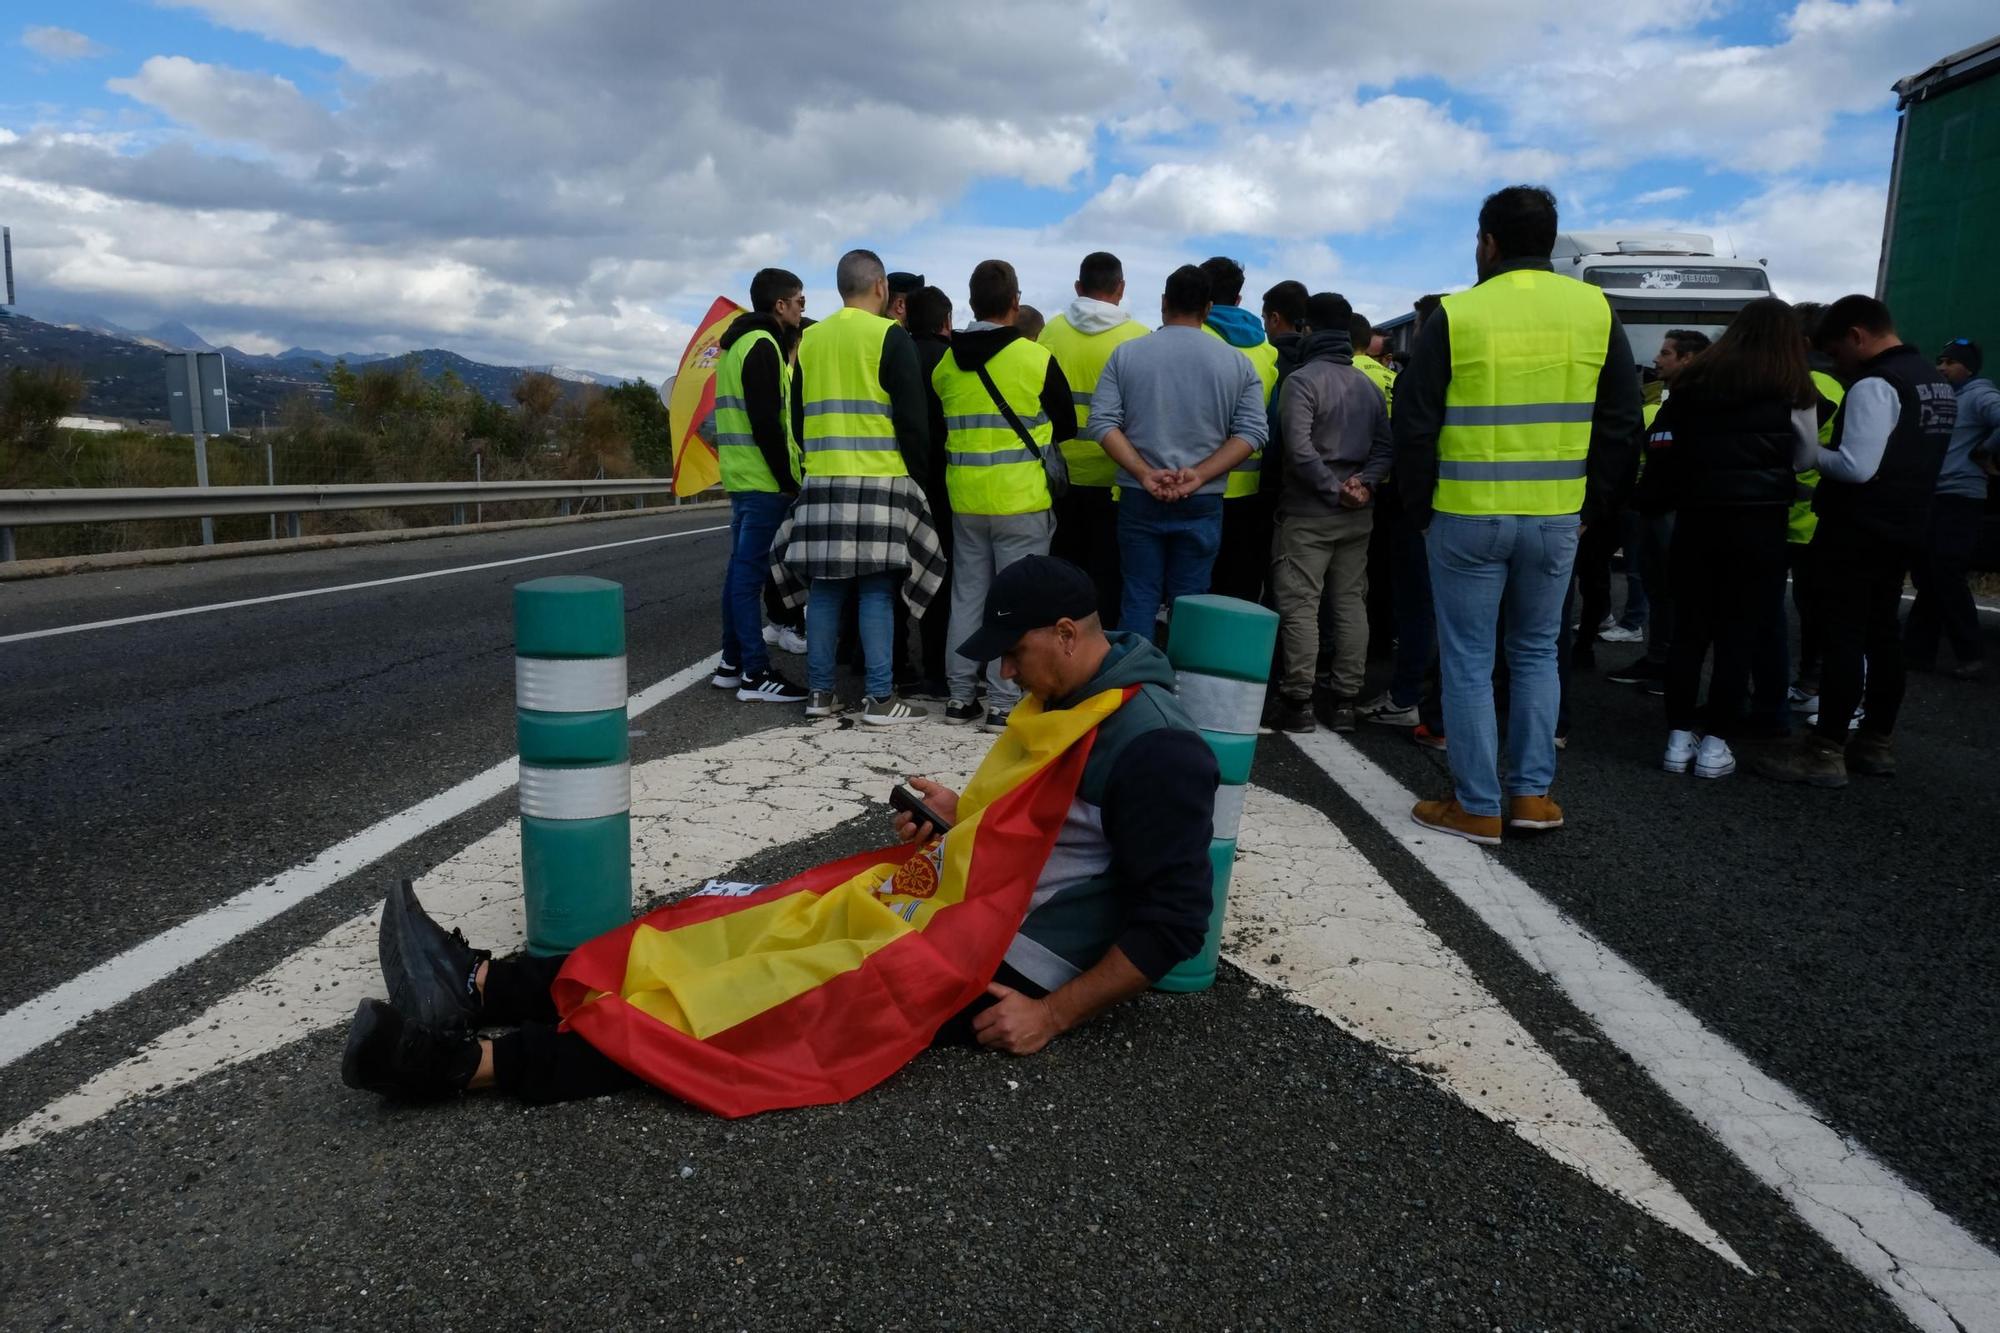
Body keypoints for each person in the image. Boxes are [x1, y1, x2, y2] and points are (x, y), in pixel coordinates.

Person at [339, 558, 1220, 1103]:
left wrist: (1050, 1016)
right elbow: (1043, 827)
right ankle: (487, 984)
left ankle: (467, 1068)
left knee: (761, 1000)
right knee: (731, 926)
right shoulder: (1071, 698)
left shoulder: (1154, 749)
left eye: (1014, 651)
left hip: (997, 958)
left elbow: (1174, 920)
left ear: (1067, 634)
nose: (1002, 670)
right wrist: (955, 815)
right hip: (957, 901)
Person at [1394, 185, 1642, 844]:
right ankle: (1532, 796)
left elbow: (1414, 421)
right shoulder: (1595, 310)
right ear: (1550, 242)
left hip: (1466, 512)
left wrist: (1418, 509)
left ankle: (1476, 803)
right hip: (1558, 514)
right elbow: (1622, 420)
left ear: (1489, 243)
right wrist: (1594, 505)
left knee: (1469, 659)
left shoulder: (1458, 313)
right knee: (1536, 652)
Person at [1753, 295, 1956, 786]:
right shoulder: (1934, 382)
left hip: (1857, 528)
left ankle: (1825, 750)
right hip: (1908, 522)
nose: (1837, 363)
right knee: (1884, 635)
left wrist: (1809, 453)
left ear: (1858, 335)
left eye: (1837, 351)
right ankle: (1876, 743)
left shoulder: (1876, 385)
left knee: (1843, 635)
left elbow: (1856, 467)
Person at [1634, 297, 1819, 779]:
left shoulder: (1695, 381)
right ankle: (1716, 743)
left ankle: (1677, 737)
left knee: (1690, 631)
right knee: (1740, 633)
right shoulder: (1794, 386)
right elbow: (1804, 458)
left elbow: (1671, 448)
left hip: (1698, 517)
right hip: (1760, 523)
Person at [783, 248, 941, 723]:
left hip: (823, 477)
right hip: (879, 478)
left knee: (826, 589)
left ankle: (820, 695)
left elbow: (794, 415)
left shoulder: (809, 340)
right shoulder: (889, 335)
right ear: (880, 287)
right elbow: (913, 419)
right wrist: (920, 475)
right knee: (876, 591)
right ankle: (879, 697)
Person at [933, 259, 1078, 731]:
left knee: (968, 596)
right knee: (1017, 604)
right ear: (1015, 302)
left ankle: (958, 697)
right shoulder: (1035, 358)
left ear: (971, 304)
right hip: (1021, 500)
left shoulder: (945, 365)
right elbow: (1068, 425)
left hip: (967, 499)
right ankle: (1002, 701)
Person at [1087, 265, 1267, 636]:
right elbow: (1252, 433)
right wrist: (1199, 475)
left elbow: (1102, 423)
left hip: (1140, 495)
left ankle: (1136, 688)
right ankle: (1185, 690)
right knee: (1191, 599)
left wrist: (1143, 472)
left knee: (1138, 595)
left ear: (1164, 302)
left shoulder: (1127, 355)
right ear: (1208, 309)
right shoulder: (1237, 363)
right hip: (1202, 498)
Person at [1267, 292, 1393, 734]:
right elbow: (1384, 447)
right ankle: (1345, 701)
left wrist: (1331, 488)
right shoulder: (1369, 385)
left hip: (1308, 512)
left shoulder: (1302, 381)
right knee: (1349, 602)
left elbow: (1298, 450)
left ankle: (1297, 699)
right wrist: (1364, 484)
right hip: (1358, 512)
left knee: (1301, 603)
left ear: (1307, 329)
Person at [711, 268, 812, 705]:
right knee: (749, 576)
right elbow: (768, 422)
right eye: (800, 302)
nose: (802, 310)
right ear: (780, 305)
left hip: (743, 477)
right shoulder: (765, 346)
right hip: (764, 481)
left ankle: (732, 664)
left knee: (740, 572)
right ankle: (755, 672)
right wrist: (788, 480)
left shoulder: (737, 346)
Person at [1042, 251, 1151, 619]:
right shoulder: (1139, 337)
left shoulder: (1051, 331)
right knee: (1107, 577)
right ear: (1120, 289)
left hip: (1060, 475)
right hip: (1117, 475)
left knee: (1062, 577)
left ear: (1078, 287)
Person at [1606, 329, 1711, 692]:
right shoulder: (1674, 399)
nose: (1656, 359)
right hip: (1653, 508)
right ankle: (1658, 659)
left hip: (1674, 512)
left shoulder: (1701, 400)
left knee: (1673, 592)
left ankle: (1671, 667)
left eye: (1666, 353)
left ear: (1688, 359)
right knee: (1658, 591)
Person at [1906, 337, 1998, 679]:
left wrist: (1984, 451)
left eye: (1950, 362)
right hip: (1937, 495)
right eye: (1940, 361)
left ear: (1969, 367)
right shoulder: (1951, 398)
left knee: (1945, 572)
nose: (1942, 367)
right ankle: (1916, 653)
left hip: (1961, 498)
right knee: (1929, 574)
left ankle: (1971, 653)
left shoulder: (1980, 395)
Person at [1199, 256, 1282, 603]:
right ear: (1239, 299)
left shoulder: (1194, 335)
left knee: (1195, 587)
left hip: (1197, 482)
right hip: (1250, 487)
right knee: (1238, 589)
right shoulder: (1266, 349)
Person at [1776, 302, 1843, 716]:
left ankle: (1817, 683)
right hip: (1816, 515)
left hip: (1803, 517)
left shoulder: (1810, 385)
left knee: (1815, 607)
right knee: (1814, 605)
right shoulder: (1841, 383)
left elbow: (1794, 451)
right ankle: (1812, 680)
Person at [907, 283, 958, 699]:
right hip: (946, 483)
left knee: (897, 575)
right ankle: (941, 671)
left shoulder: (898, 354)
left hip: (902, 479)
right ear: (947, 322)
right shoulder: (952, 360)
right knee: (944, 575)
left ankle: (897, 666)